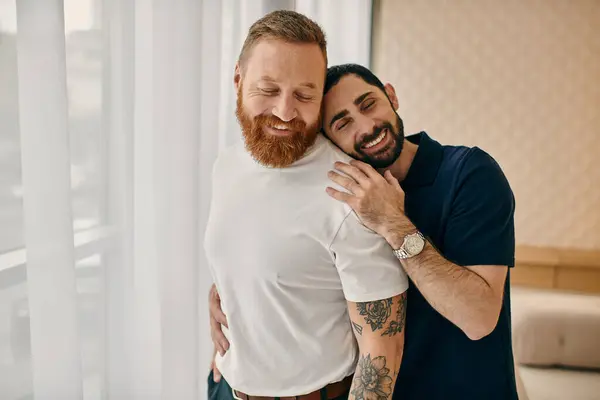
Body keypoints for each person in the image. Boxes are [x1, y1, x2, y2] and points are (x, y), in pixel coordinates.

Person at [210, 62, 518, 400]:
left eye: (368, 104)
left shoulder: (468, 174)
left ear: (391, 95)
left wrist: (393, 223)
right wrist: (228, 294)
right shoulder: (337, 198)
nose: (367, 127)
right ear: (328, 142)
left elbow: (478, 319)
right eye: (342, 123)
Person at [204, 11, 409, 400]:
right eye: (268, 89)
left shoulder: (351, 192)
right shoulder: (227, 164)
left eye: (304, 94)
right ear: (238, 81)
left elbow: (382, 353)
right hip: (224, 387)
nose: (285, 112)